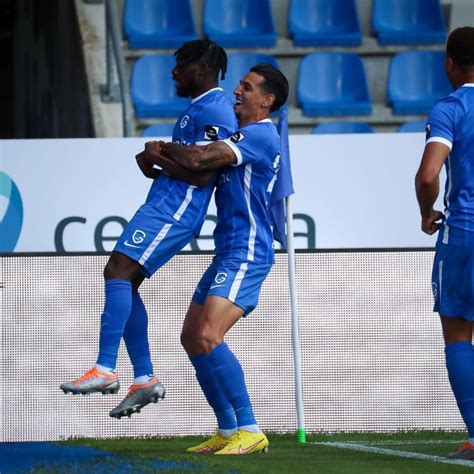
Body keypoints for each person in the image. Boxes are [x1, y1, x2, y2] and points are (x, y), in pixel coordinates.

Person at [60, 39, 237, 420]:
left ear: (202, 68)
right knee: (124, 279)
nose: (174, 72)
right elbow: (188, 164)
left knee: (117, 271)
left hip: (175, 210)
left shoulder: (217, 108)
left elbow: (204, 175)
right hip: (163, 205)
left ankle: (107, 369)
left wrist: (160, 154)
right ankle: (143, 378)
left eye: (180, 64)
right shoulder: (199, 108)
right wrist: (156, 159)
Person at [145, 63, 289, 454]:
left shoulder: (260, 134)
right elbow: (195, 165)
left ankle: (250, 428)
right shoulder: (248, 133)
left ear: (267, 99)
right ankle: (227, 429)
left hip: (248, 251)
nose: (236, 92)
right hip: (227, 249)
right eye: (238, 84)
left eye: (247, 87)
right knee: (191, 337)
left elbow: (200, 159)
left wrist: (160, 148)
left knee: (209, 335)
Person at [415, 26, 474, 459]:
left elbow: (429, 174)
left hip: (464, 235)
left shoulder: (451, 108)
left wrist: (425, 212)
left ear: (449, 63)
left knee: (458, 336)